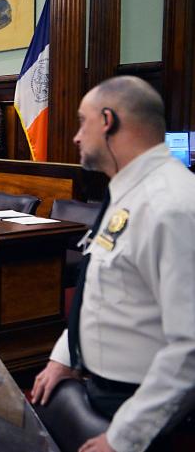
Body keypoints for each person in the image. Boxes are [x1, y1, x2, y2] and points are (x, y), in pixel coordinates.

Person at [31, 76, 195, 452]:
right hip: (99, 386)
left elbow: (189, 346)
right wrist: (64, 356)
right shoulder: (126, 192)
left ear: (108, 120)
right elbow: (99, 290)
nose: (75, 136)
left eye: (81, 122)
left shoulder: (171, 204)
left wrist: (125, 438)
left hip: (144, 408)